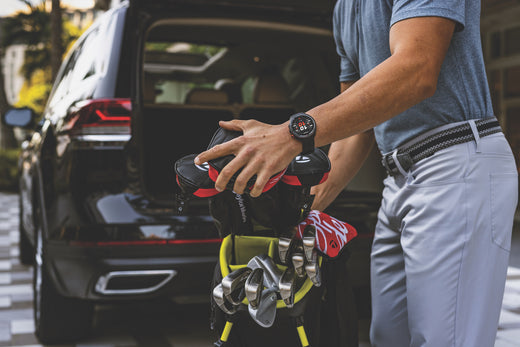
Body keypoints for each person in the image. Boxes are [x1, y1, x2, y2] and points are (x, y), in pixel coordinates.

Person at [195, 0, 519, 346]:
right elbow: (356, 128)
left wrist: (290, 134)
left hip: (454, 163)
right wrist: (296, 214)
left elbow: (417, 69)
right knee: (387, 336)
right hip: (397, 177)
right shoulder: (344, 8)